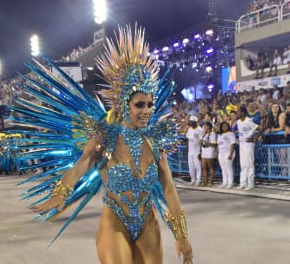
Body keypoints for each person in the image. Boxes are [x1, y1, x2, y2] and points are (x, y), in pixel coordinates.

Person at [28, 26, 193, 264]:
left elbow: (169, 190)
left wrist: (181, 235)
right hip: (114, 222)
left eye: (149, 104)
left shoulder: (156, 140)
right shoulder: (105, 136)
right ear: (124, 104)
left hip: (148, 222)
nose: (146, 111)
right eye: (139, 105)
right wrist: (62, 191)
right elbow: (81, 166)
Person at [236, 106, 263, 190]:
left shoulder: (248, 121)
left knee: (249, 164)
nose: (237, 113)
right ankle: (243, 183)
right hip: (242, 144)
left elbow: (260, 129)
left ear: (243, 112)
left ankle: (251, 184)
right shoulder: (238, 122)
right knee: (243, 164)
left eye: (238, 111)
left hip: (249, 144)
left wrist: (255, 138)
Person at [217, 122, 236, 188]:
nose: (224, 127)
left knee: (228, 168)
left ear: (228, 127)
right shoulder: (219, 135)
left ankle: (230, 183)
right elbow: (218, 144)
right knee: (223, 168)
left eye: (226, 126)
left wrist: (231, 154)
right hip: (221, 153)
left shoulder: (231, 134)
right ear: (221, 127)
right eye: (223, 126)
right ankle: (225, 182)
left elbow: (232, 144)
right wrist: (218, 153)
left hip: (228, 153)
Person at [186, 115, 203, 186]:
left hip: (197, 151)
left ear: (196, 122)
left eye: (192, 122)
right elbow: (188, 139)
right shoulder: (189, 129)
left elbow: (201, 140)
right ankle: (193, 179)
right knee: (191, 167)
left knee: (198, 166)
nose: (190, 123)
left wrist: (201, 151)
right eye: (190, 122)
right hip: (190, 151)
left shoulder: (199, 129)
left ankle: (198, 180)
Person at [199, 121, 216, 186]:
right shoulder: (204, 134)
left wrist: (204, 142)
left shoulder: (212, 133)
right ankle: (205, 181)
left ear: (208, 127)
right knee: (204, 167)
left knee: (210, 167)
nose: (204, 128)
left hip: (210, 152)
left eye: (205, 126)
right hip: (204, 152)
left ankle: (210, 181)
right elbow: (203, 144)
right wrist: (200, 143)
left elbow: (213, 144)